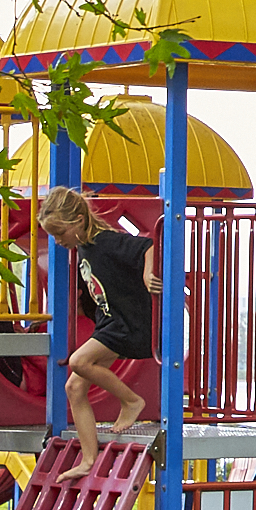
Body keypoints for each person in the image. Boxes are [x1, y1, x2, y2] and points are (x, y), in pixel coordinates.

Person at [34, 187, 161, 466]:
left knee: (79, 361)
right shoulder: (85, 247)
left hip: (129, 324)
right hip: (110, 323)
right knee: (74, 388)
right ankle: (88, 459)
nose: (57, 241)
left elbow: (148, 246)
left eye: (60, 233)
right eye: (53, 235)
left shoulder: (105, 242)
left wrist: (147, 273)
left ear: (79, 220)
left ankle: (131, 401)